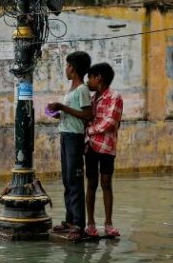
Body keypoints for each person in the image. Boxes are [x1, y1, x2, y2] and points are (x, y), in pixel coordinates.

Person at [46, 51, 93, 241]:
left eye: (67, 66)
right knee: (67, 180)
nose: (65, 69)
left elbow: (87, 115)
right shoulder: (72, 90)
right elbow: (74, 114)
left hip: (74, 138)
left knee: (74, 180)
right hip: (65, 135)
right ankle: (69, 219)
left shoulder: (82, 89)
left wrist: (62, 107)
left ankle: (78, 224)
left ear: (72, 68)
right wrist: (58, 114)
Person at [84, 62, 123, 238]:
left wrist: (89, 131)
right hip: (91, 146)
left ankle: (108, 223)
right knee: (91, 183)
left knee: (106, 183)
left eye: (90, 78)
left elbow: (110, 122)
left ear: (98, 78)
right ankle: (90, 223)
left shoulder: (115, 97)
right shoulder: (92, 98)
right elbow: (88, 118)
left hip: (106, 146)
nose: (88, 81)